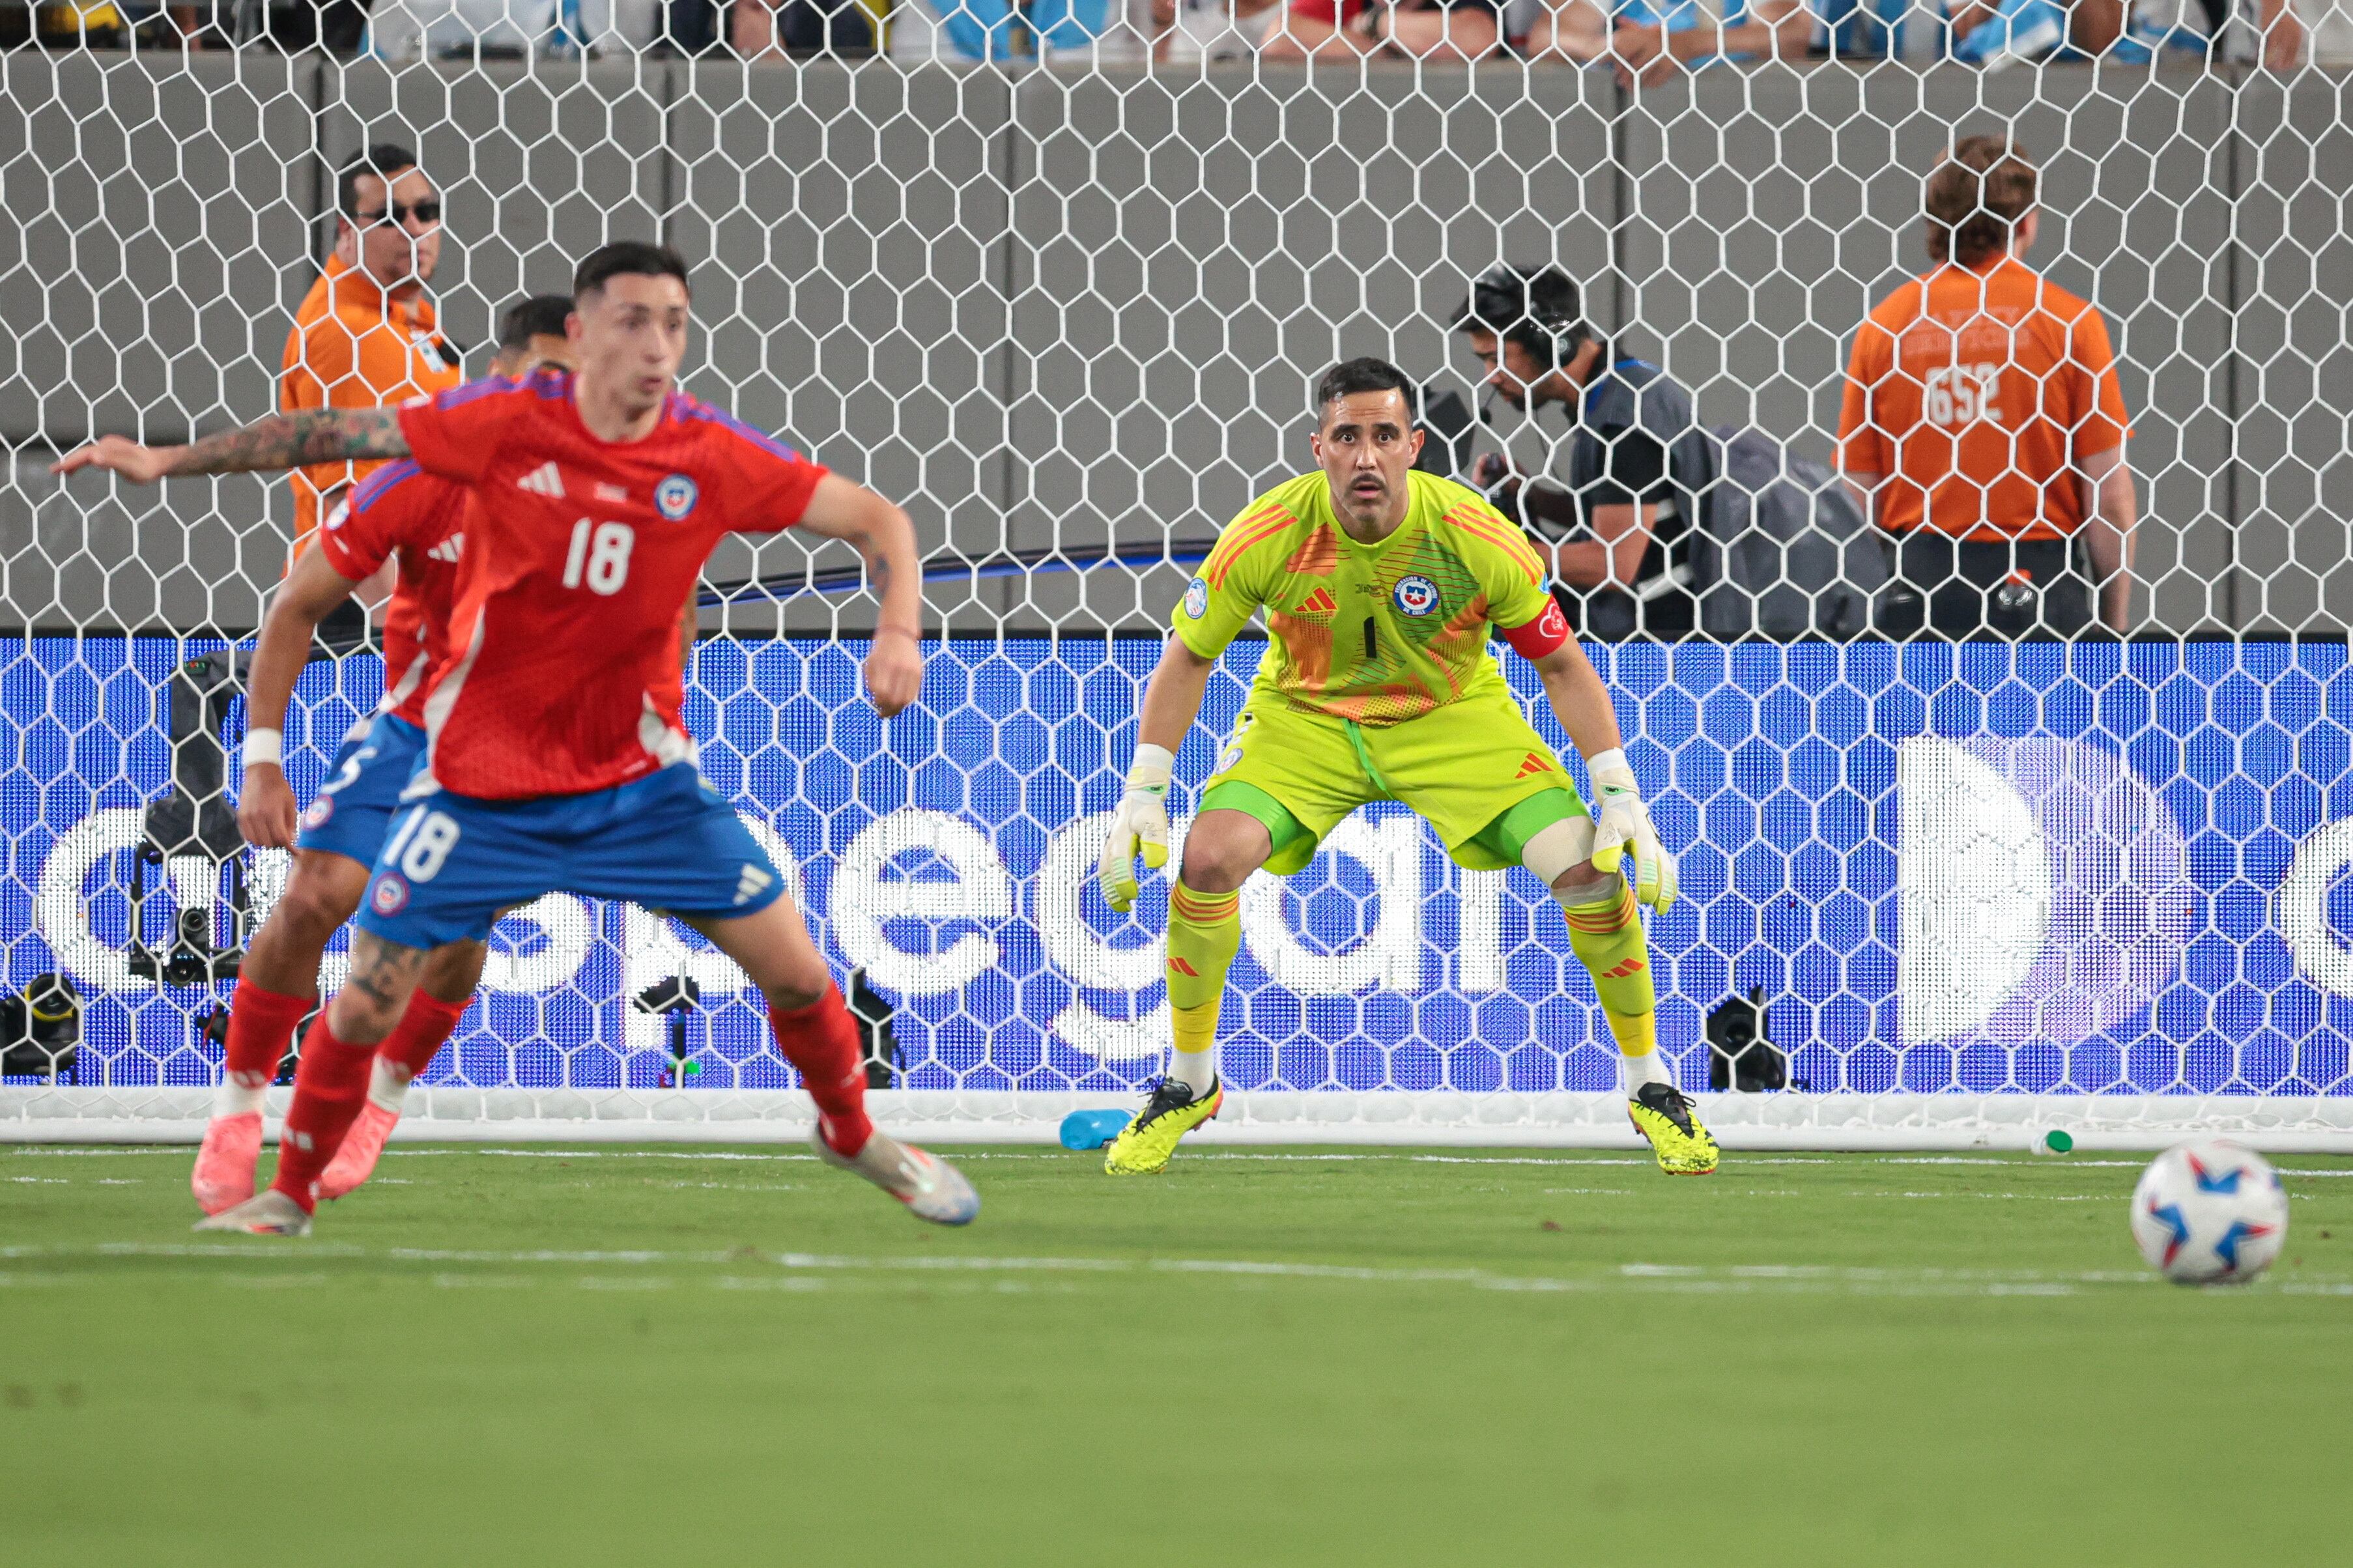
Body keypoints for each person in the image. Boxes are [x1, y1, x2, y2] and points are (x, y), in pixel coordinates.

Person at [57, 242, 979, 1235]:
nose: (658, 344)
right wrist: (165, 459)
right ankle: (286, 1191)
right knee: (364, 996)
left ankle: (850, 1130)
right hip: (482, 785)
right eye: (633, 320)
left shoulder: (708, 450)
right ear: (579, 337)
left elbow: (879, 516)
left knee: (797, 971)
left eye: (675, 322)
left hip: (641, 785)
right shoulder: (496, 429)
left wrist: (898, 628)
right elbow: (319, 428)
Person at [1094, 358, 1715, 1179]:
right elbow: (1189, 656)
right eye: (1347, 436)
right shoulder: (1269, 531)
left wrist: (1619, 792)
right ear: (1318, 448)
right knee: (1206, 860)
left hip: (1453, 717)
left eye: (1384, 435)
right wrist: (1144, 788)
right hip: (1305, 720)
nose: (1365, 456)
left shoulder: (1472, 533)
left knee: (1590, 873)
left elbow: (1562, 665)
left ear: (1414, 446)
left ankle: (1651, 1085)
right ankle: (1190, 1079)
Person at [186, 296, 583, 1219]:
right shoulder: (427, 466)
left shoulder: (604, 492)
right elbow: (295, 606)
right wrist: (261, 761)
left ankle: (385, 1098)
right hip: (412, 728)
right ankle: (239, 1106)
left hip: (521, 750)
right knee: (316, 894)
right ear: (501, 377)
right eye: (543, 381)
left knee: (456, 932)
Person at [1838, 136, 2137, 639]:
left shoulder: (1885, 327)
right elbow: (2109, 497)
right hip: (2037, 588)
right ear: (2027, 221)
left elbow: (1857, 498)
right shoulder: (2069, 322)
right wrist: (2113, 623)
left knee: (1924, 722)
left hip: (1920, 590)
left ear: (1934, 221)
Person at [1455, 264, 1713, 642]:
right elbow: (1624, 513)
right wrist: (1531, 496)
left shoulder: (1623, 420)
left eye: (1497, 357)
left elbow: (1612, 564)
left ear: (1552, 342)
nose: (1490, 376)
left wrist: (1493, 551)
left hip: (1661, 655)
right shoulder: (1619, 389)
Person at [282, 145, 462, 575]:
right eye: (388, 216)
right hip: (364, 617)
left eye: (426, 211)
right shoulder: (347, 334)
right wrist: (395, 636)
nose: (414, 228)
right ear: (347, 231)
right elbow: (351, 516)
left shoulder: (407, 314)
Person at [1523, 0, 1812, 85]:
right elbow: (1545, 36)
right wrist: (1601, 46)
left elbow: (1790, 36)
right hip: (1632, 127)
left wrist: (1687, 45)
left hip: (1736, 120)